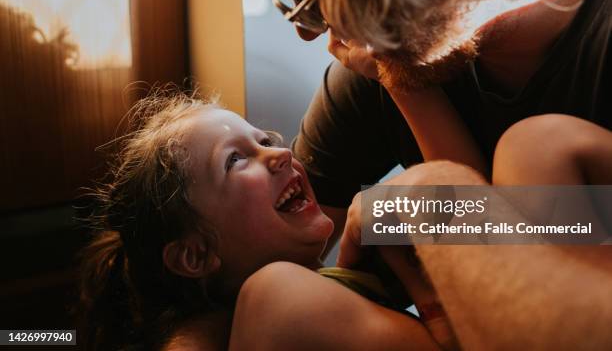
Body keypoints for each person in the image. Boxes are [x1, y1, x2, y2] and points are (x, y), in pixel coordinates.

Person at [181, 0, 612, 348]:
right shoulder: (381, 72)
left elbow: (491, 234)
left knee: (536, 150)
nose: (310, 36)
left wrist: (423, 203)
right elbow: (223, 266)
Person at [77, 91, 456, 351]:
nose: (280, 153)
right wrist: (419, 279)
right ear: (194, 255)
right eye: (235, 160)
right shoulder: (276, 294)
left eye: (265, 140)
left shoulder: (318, 288)